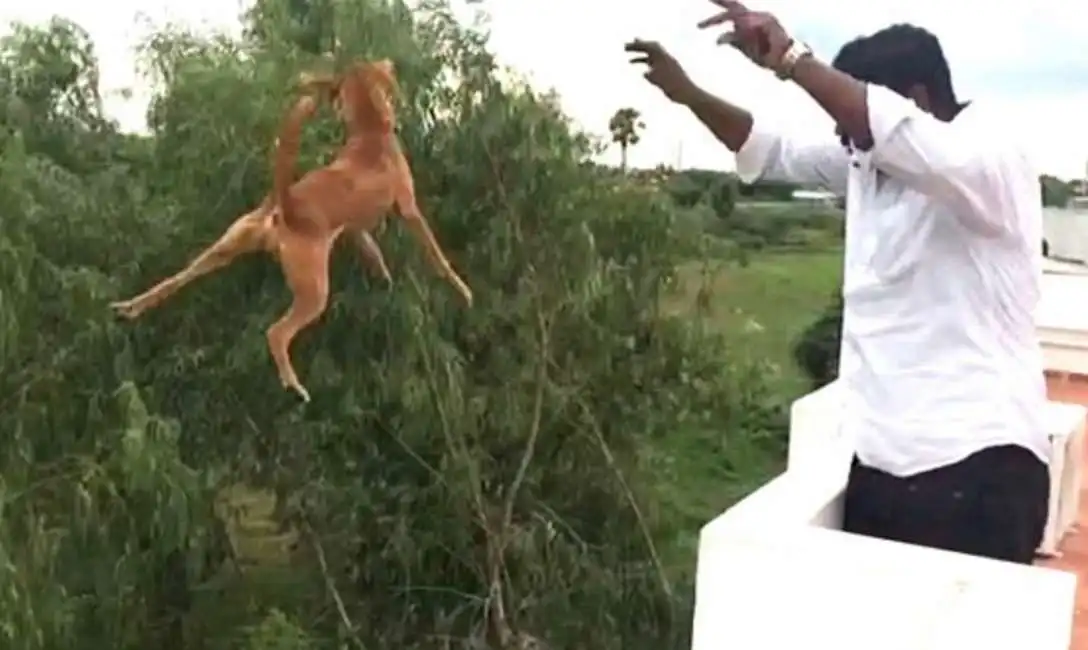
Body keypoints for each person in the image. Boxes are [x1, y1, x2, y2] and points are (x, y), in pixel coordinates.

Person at [627, 0, 1049, 564]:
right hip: (881, 467)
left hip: (977, 474)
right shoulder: (870, 163)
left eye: (851, 119)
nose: (844, 136)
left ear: (917, 101)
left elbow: (883, 126)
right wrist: (688, 92)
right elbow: (771, 149)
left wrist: (794, 60)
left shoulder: (989, 158)